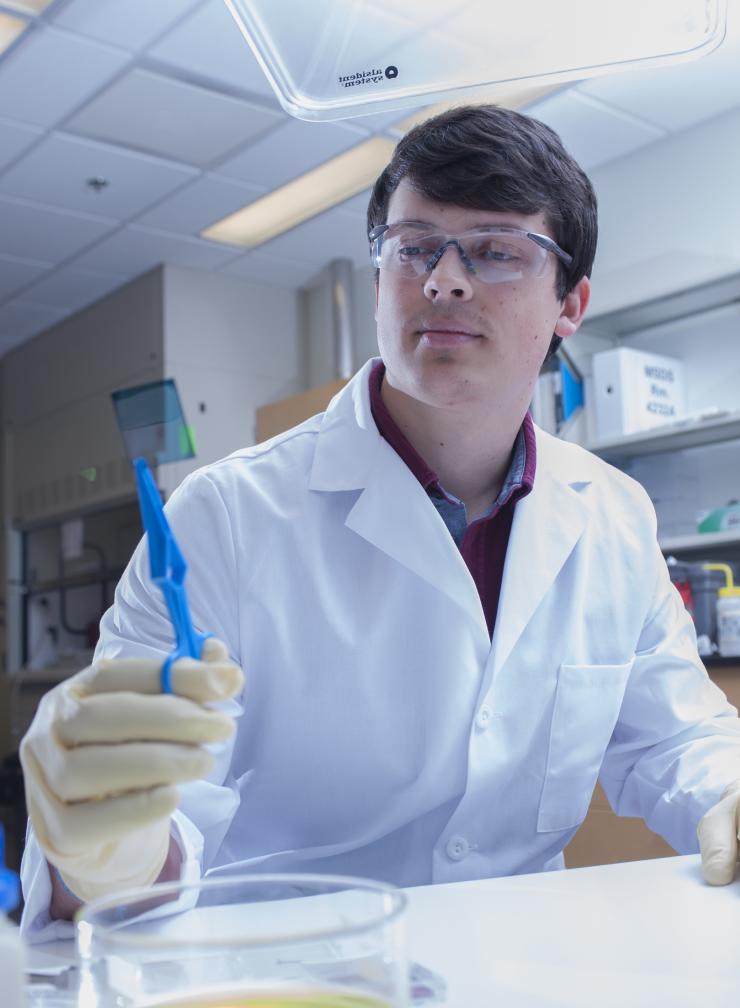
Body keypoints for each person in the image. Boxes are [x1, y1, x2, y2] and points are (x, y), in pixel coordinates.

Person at [19, 104, 740, 942]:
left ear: (571, 304)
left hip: (523, 965)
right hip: (288, 971)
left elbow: (677, 738)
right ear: (381, 277)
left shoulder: (613, 512)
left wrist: (727, 788)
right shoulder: (221, 517)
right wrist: (106, 849)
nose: (443, 279)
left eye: (497, 251)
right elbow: (148, 829)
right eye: (414, 247)